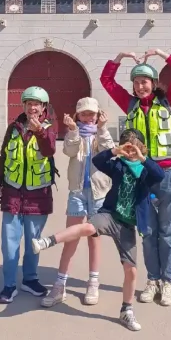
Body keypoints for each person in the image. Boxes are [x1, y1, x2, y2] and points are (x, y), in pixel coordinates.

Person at [33, 129, 164, 331]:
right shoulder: (118, 165)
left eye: (134, 147)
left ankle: (126, 311)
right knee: (87, 227)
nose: (131, 152)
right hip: (110, 215)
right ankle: (46, 242)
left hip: (128, 225)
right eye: (128, 147)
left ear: (141, 147)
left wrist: (142, 157)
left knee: (132, 270)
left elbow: (159, 174)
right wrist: (115, 150)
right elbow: (99, 161)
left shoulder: (145, 170)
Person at [100, 48, 171, 307]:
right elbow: (107, 81)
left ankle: (167, 282)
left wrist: (162, 54)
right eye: (136, 82)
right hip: (140, 174)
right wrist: (118, 58)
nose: (140, 86)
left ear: (153, 83)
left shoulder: (168, 102)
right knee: (148, 231)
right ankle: (152, 280)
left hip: (168, 173)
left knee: (168, 231)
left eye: (145, 82)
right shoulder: (129, 105)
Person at [41, 97, 115, 308]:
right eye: (84, 114)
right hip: (77, 192)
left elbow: (109, 152)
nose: (88, 117)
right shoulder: (75, 134)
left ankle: (93, 282)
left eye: (92, 113)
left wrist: (102, 129)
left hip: (99, 192)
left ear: (98, 114)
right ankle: (59, 285)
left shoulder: (101, 133)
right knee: (71, 237)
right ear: (77, 115)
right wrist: (73, 131)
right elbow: (69, 152)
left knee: (94, 237)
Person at [0, 86, 58, 304]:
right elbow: (3, 156)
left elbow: (49, 150)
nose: (32, 107)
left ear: (44, 107)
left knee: (33, 240)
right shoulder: (14, 128)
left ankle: (30, 279)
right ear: (24, 106)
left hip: (38, 193)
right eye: (29, 103)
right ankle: (9, 285)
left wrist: (38, 132)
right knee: (9, 242)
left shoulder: (49, 127)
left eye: (36, 104)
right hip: (12, 191)